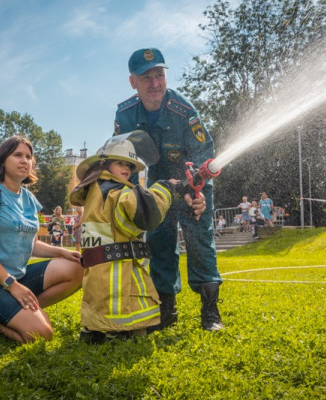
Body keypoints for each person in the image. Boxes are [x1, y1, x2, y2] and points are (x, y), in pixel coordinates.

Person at [113, 48, 223, 331]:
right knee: (159, 242)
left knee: (200, 241)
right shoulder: (125, 114)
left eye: (159, 75)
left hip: (191, 182)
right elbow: (122, 158)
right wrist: (131, 195)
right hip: (158, 185)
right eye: (146, 77)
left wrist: (196, 193)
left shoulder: (184, 111)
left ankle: (210, 313)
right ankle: (166, 312)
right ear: (132, 82)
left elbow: (204, 154)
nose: (155, 83)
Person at [0, 136, 83, 343]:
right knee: (41, 335)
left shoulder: (29, 199)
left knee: (77, 268)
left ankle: (12, 312)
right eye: (17, 155)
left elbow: (31, 244)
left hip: (18, 277)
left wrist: (63, 252)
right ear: (3, 160)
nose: (24, 160)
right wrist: (12, 286)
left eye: (28, 156)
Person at [70, 131, 177, 342]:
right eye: (121, 163)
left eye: (129, 165)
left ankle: (94, 330)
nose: (127, 168)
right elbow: (147, 211)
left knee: (98, 306)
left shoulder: (96, 190)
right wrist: (165, 188)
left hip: (99, 273)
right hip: (116, 275)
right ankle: (116, 331)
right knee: (117, 312)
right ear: (105, 165)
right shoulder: (115, 192)